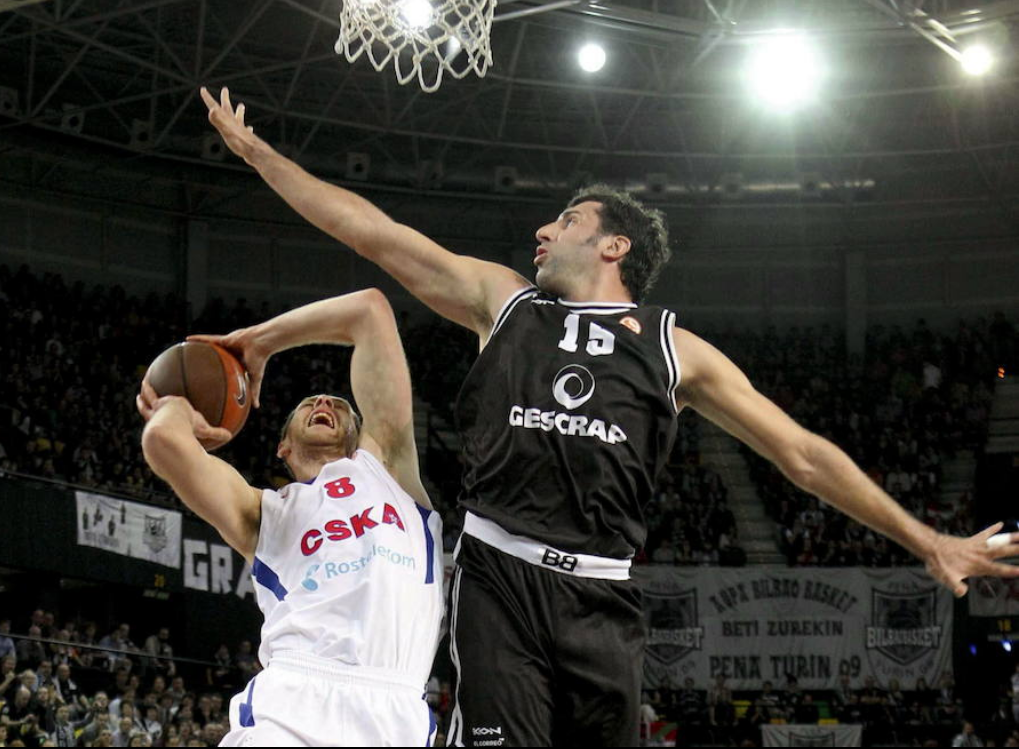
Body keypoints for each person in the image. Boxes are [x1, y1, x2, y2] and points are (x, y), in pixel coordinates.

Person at [202, 85, 1019, 746]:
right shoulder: (503, 302)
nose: (541, 229)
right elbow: (376, 235)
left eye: (562, 220)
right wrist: (260, 155)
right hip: (500, 579)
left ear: (612, 244)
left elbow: (801, 454)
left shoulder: (674, 348)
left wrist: (927, 539)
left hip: (601, 597)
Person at [136, 290, 443, 746]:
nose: (323, 401)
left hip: (394, 709)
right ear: (283, 447)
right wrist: (176, 409)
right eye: (309, 404)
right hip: (293, 701)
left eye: (339, 404)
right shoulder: (263, 513)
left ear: (360, 435)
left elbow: (370, 311)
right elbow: (163, 442)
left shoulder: (390, 471)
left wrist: (260, 341)